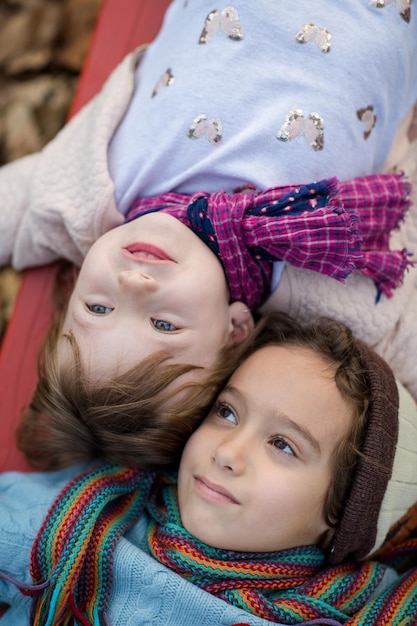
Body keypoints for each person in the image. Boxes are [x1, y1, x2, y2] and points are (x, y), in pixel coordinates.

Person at [1, 1, 417, 468]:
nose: (133, 284)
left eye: (97, 308)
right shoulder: (313, 275)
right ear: (234, 331)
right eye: (163, 325)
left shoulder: (81, 202)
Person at [1, 312, 417, 625]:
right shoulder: (78, 520)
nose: (227, 452)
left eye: (282, 445)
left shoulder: (362, 609)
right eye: (227, 412)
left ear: (343, 515)